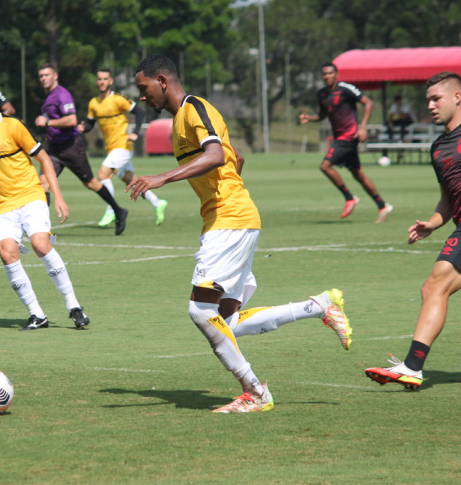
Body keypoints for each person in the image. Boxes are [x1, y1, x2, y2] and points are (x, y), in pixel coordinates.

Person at [130, 55, 352, 413]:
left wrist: (161, 178)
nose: (142, 97)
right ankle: (319, 307)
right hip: (231, 218)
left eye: (143, 88)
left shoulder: (193, 108)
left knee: (201, 312)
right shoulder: (181, 120)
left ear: (161, 80)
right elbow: (236, 158)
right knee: (227, 320)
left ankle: (254, 391)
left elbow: (217, 155)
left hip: (229, 220)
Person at [0, 79, 90, 331]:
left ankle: (74, 305)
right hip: (0, 207)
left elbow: (44, 159)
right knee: (7, 252)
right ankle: (36, 315)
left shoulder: (13, 126)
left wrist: (58, 197)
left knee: (41, 244)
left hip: (30, 196)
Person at [365, 72, 461, 390]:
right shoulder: (438, 148)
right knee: (434, 288)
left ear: (457, 97)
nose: (431, 105)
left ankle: (413, 367)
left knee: (435, 286)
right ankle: (413, 367)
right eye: (428, 100)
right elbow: (449, 197)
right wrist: (433, 222)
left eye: (437, 98)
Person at [34, 63, 129, 235]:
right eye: (41, 76)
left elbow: (71, 120)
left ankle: (118, 210)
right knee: (42, 183)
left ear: (55, 76)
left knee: (91, 183)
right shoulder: (49, 96)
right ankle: (41, 227)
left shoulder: (62, 95)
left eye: (47, 75)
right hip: (54, 149)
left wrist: (47, 122)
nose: (43, 78)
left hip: (71, 146)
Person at [299, 63, 393, 223]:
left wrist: (363, 127)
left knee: (325, 166)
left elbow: (368, 103)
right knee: (358, 174)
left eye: (329, 73)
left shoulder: (345, 88)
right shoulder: (322, 93)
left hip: (350, 135)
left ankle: (350, 198)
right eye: (324, 74)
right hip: (340, 137)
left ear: (336, 74)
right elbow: (323, 114)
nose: (326, 76)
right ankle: (382, 205)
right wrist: (310, 118)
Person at [79, 68, 168, 227]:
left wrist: (135, 133)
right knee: (131, 180)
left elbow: (140, 112)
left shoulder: (118, 99)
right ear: (96, 81)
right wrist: (81, 128)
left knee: (103, 174)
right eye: (99, 79)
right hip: (111, 148)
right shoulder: (94, 103)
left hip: (123, 146)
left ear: (111, 81)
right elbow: (90, 124)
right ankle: (157, 202)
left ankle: (110, 210)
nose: (102, 82)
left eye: (105, 79)